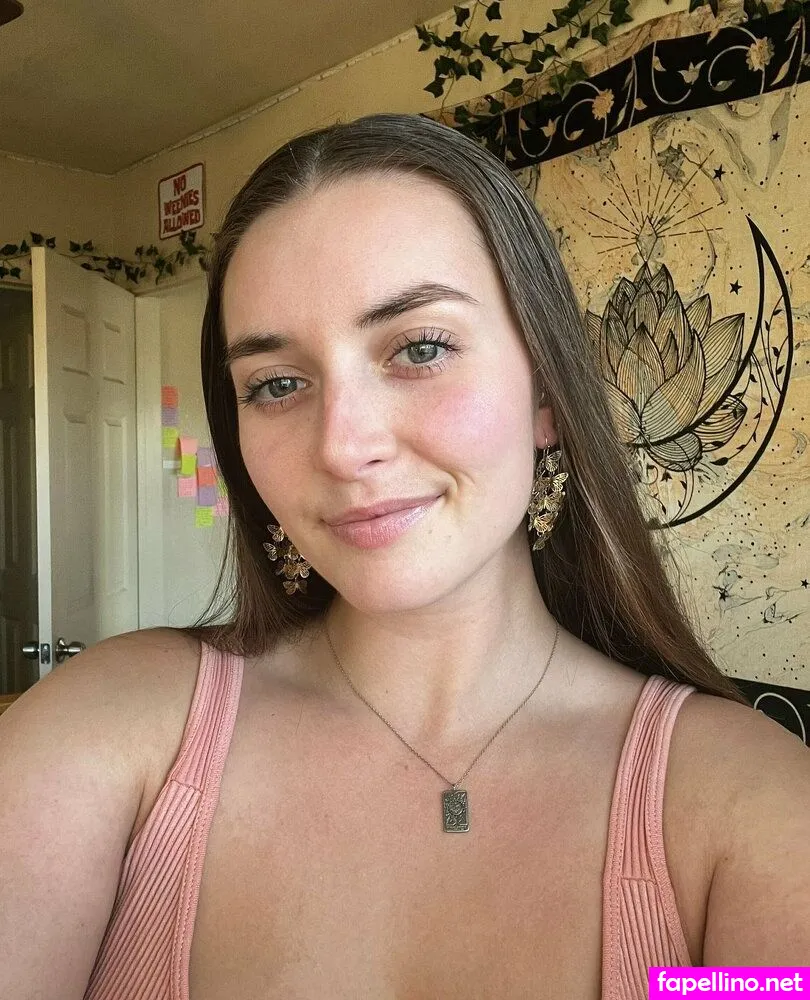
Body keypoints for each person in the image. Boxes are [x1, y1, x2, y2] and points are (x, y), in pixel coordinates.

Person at [1, 113, 809, 1000]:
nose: (342, 447)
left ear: (545, 393)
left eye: (420, 348)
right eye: (276, 384)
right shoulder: (108, 725)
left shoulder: (753, 809)